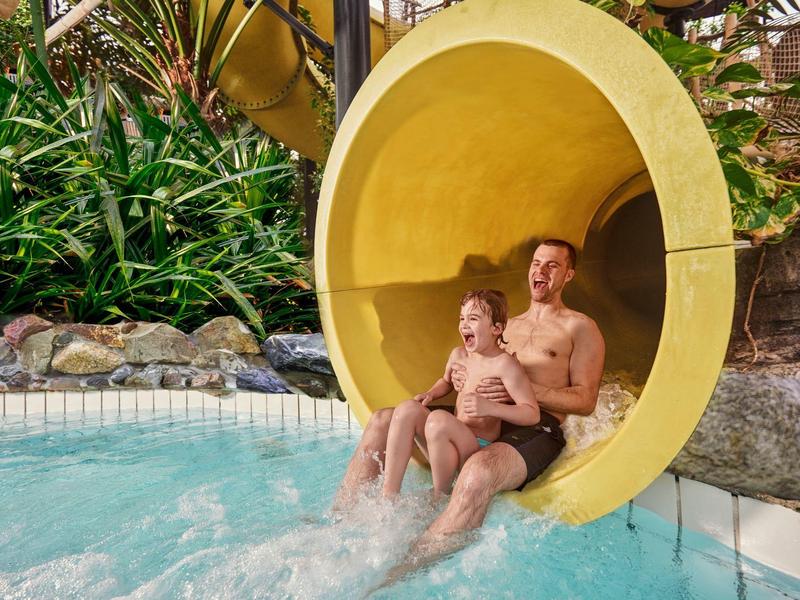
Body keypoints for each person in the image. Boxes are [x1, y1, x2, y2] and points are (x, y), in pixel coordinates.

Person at [334, 239, 605, 542]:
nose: (540, 271)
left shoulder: (579, 327)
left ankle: (416, 558)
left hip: (536, 427)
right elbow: (471, 363)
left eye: (552, 265)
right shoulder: (506, 325)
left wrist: (521, 390)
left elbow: (586, 400)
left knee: (479, 469)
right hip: (485, 420)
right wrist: (461, 376)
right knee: (384, 419)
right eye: (536, 263)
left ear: (568, 275)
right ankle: (339, 521)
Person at [382, 289, 540, 499]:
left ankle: (440, 496)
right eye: (462, 318)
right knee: (407, 409)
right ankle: (388, 496)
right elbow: (446, 382)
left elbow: (532, 414)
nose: (464, 324)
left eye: (473, 319)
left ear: (496, 328)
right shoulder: (458, 355)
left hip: (475, 448)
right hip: (445, 444)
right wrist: (431, 394)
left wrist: (491, 408)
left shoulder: (505, 365)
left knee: (438, 419)